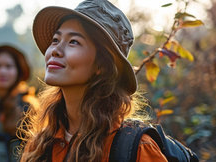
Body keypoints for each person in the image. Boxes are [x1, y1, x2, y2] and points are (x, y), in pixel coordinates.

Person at [20, 0, 168, 161]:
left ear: (102, 65)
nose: (55, 50)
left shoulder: (137, 149)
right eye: (55, 40)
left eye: (73, 42)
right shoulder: (41, 145)